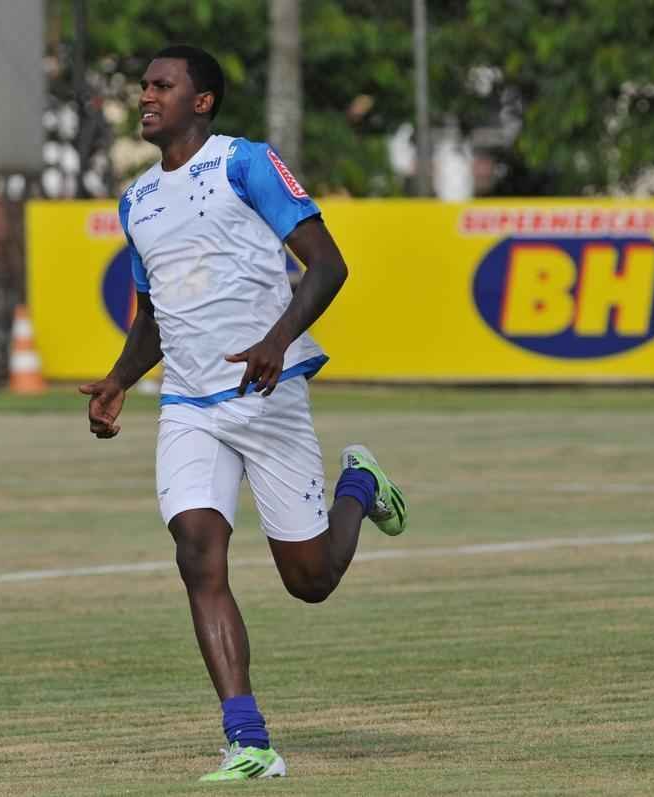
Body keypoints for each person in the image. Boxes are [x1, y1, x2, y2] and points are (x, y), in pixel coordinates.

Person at [79, 44, 408, 782]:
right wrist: (119, 380)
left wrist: (277, 339)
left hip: (269, 392)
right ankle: (248, 739)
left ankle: (360, 486)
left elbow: (329, 264)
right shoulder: (136, 201)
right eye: (144, 86)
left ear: (202, 101)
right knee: (197, 551)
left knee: (310, 579)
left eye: (163, 85)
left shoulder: (246, 164)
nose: (146, 96)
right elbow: (152, 317)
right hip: (190, 405)